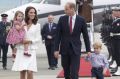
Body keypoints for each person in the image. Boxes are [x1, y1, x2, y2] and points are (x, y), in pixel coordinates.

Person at [54, 2, 91, 79]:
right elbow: (58, 35)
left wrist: (88, 50)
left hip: (76, 50)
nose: (65, 11)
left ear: (72, 9)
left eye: (66, 9)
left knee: (74, 73)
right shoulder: (62, 19)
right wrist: (56, 49)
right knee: (66, 73)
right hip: (64, 49)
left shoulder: (81, 20)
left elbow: (86, 36)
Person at [12, 6, 40, 79]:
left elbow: (38, 38)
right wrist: (20, 41)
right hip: (21, 49)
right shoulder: (21, 23)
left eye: (34, 13)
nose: (33, 14)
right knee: (22, 71)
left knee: (30, 71)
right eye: (31, 12)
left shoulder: (37, 25)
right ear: (27, 13)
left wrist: (29, 41)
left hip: (31, 50)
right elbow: (15, 34)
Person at [110, 7, 120, 76]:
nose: (113, 13)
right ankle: (118, 68)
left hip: (118, 39)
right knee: (116, 54)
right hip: (115, 39)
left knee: (118, 54)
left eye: (115, 11)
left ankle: (119, 69)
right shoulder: (116, 19)